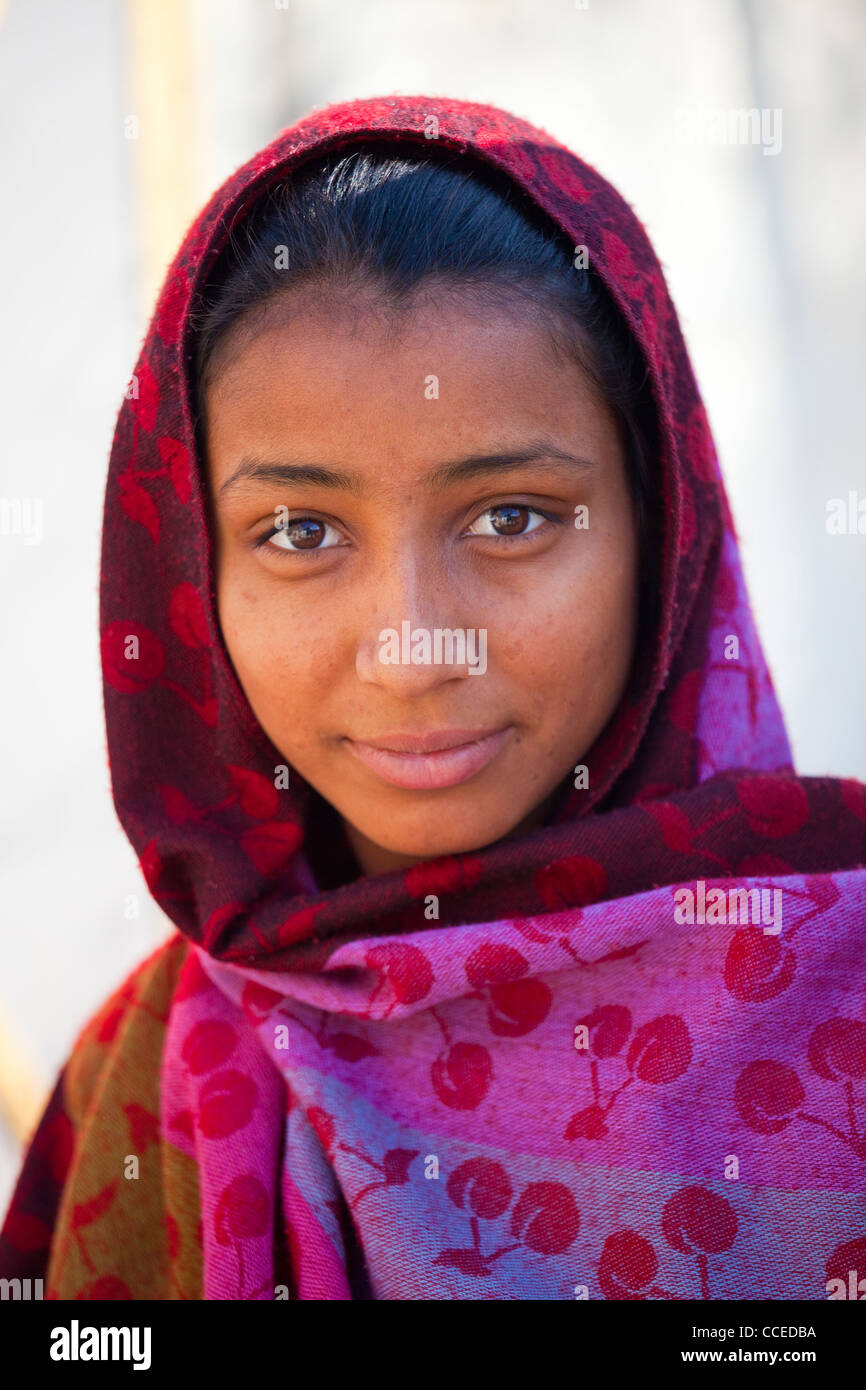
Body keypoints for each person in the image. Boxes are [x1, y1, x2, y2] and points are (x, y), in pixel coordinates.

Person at [1, 93, 864, 1301]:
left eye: (511, 517)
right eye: (299, 530)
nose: (412, 648)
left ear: (663, 534)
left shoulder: (837, 989)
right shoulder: (144, 1079)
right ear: (190, 574)